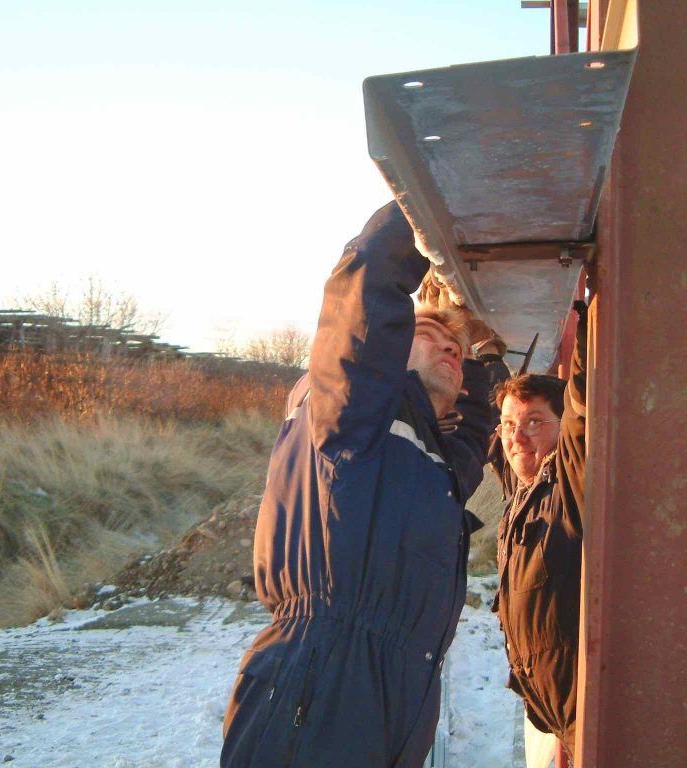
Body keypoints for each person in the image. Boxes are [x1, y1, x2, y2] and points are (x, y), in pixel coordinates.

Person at [221, 201, 505, 768]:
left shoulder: (434, 460)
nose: (451, 350)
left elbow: (476, 427)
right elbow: (365, 284)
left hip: (405, 692)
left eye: (457, 350)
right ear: (390, 344)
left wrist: (489, 350)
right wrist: (427, 198)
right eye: (431, 336)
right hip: (323, 679)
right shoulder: (348, 412)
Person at [489, 291, 591, 768]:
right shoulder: (522, 487)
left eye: (534, 421)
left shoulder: (565, 487)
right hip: (547, 709)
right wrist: (484, 354)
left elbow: (582, 412)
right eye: (509, 423)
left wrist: (588, 319)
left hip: (581, 712)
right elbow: (494, 436)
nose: (517, 435)